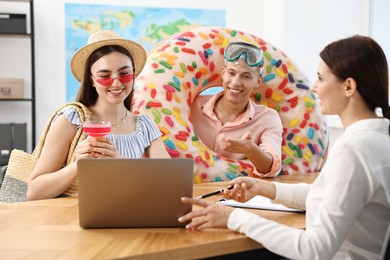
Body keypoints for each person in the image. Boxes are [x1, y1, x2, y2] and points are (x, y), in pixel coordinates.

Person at [179, 35, 390, 259]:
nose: (315, 88)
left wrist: (233, 218)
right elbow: (328, 195)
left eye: (320, 78)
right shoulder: (377, 138)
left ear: (348, 87)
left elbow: (314, 250)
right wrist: (263, 188)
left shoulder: (353, 150)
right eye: (231, 72)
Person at [27, 30, 170, 200]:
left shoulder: (144, 124)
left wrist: (120, 162)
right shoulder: (72, 120)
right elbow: (34, 192)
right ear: (92, 79)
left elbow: (169, 181)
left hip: (133, 212)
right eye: (104, 76)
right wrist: (78, 165)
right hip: (75, 219)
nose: (116, 82)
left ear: (133, 74)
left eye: (124, 73)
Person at [191, 42, 283, 177]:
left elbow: (272, 167)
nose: (235, 82)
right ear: (223, 73)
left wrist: (250, 150)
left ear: (258, 81)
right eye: (231, 73)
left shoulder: (267, 118)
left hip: (237, 193)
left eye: (246, 76)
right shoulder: (194, 106)